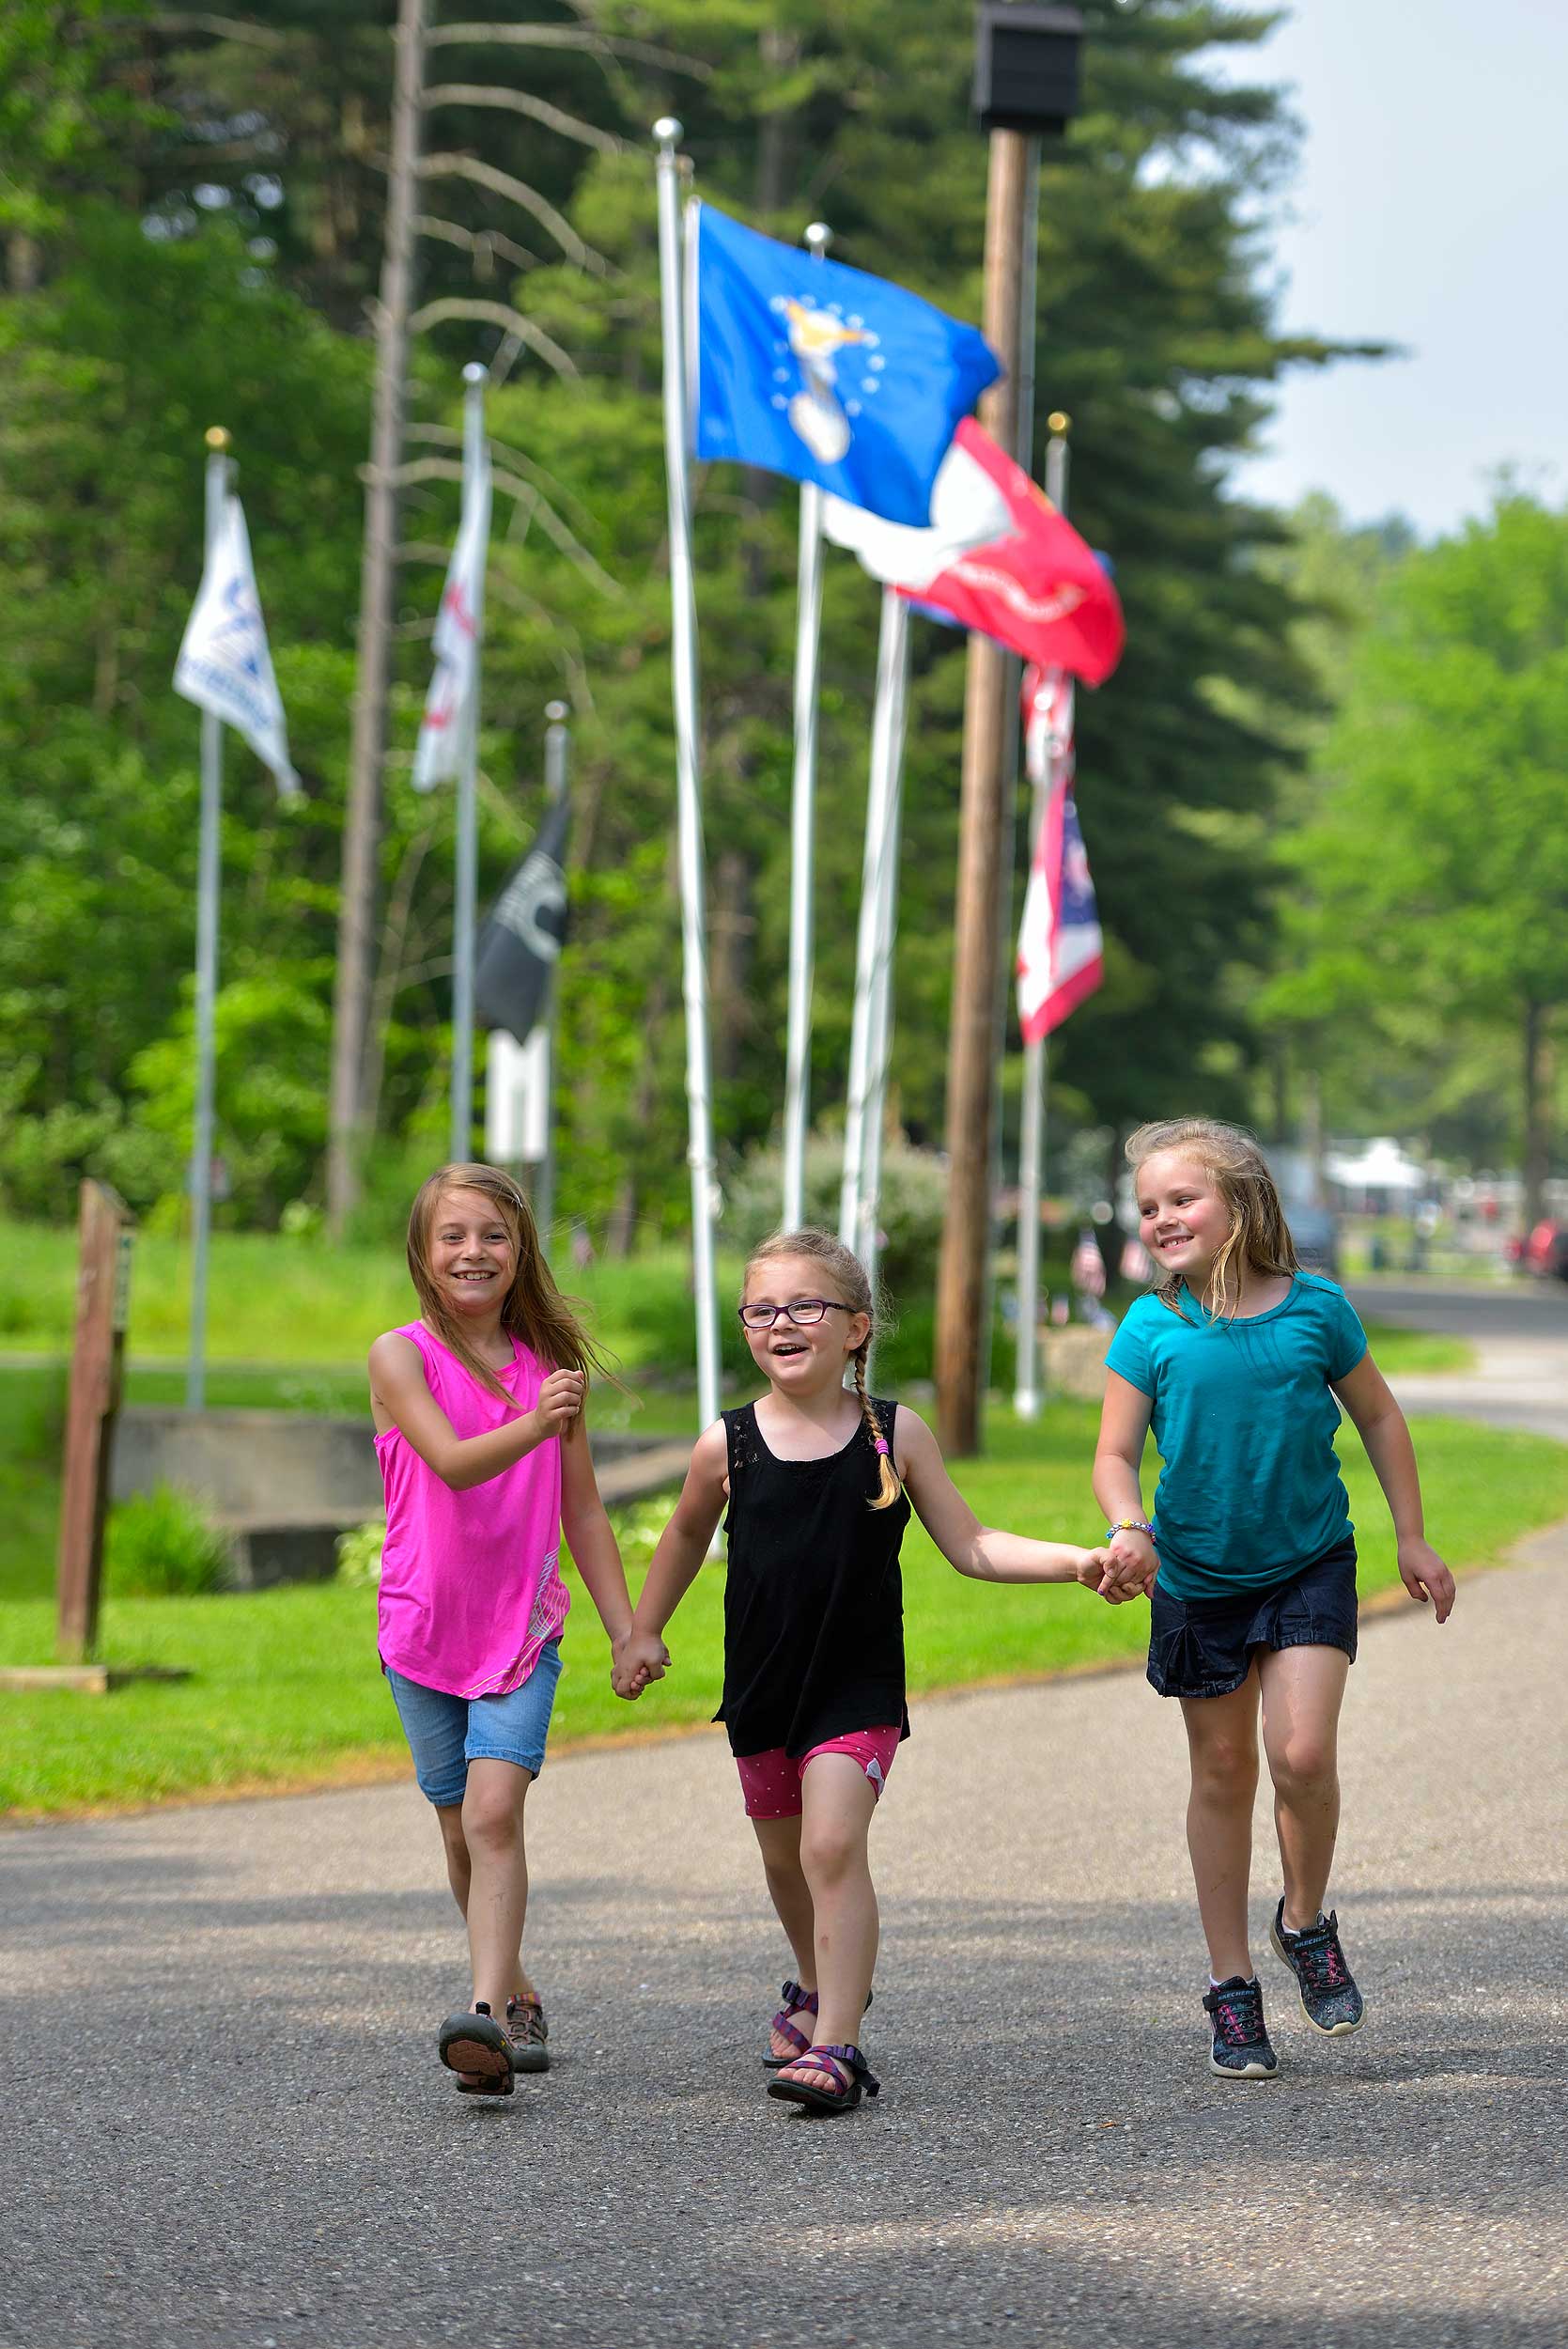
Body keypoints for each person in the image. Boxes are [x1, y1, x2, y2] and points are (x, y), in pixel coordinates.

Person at [613, 1226, 1113, 2117]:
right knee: (783, 1865)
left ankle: (838, 2044)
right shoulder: (724, 1443)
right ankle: (815, 1984)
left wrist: (1072, 1560)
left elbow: (972, 1543)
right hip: (763, 1685)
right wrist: (642, 1629)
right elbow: (687, 1533)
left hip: (857, 1685)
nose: (781, 1324)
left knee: (830, 1845)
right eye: (760, 1311)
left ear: (855, 1327)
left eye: (806, 1306)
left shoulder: (894, 1432)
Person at [1093, 1119, 1455, 2082]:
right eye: (1149, 1207)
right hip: (1196, 1579)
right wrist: (1128, 1524)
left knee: (1298, 1752)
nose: (1163, 1217)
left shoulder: (1316, 1309)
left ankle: (1304, 1919)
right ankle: (1231, 1987)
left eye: (1182, 1199)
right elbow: (1113, 1453)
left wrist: (1409, 1534)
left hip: (1306, 1560)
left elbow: (1376, 1413)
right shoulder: (1150, 1324)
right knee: (1221, 1773)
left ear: (1240, 1203)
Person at [368, 1162, 645, 2098]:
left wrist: (626, 1629)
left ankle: (482, 2021)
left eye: (492, 1234)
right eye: (453, 1235)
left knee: (493, 1815)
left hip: (519, 1631)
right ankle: (517, 1989)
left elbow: (585, 1514)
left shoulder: (548, 1377)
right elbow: (448, 1461)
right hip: (421, 1627)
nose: (473, 1252)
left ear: (519, 1249)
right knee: (458, 1829)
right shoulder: (399, 1357)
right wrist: (536, 1422)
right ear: (423, 1252)